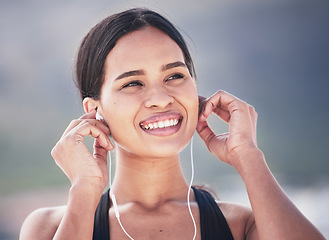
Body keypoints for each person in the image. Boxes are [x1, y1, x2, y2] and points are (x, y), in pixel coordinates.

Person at [20, 8, 325, 240]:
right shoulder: (48, 228)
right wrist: (84, 191)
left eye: (174, 76)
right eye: (132, 83)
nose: (161, 97)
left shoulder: (243, 226)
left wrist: (248, 156)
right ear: (94, 110)